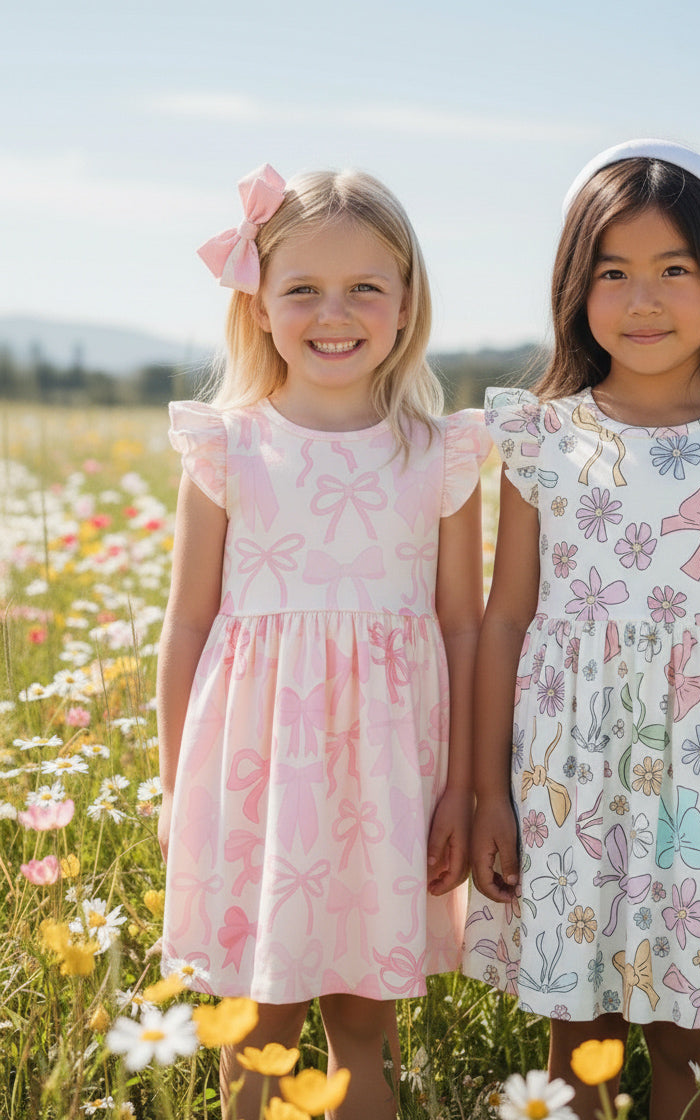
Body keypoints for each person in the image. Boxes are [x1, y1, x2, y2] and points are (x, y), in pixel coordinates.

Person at [464, 139, 700, 1119]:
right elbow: (505, 618)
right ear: (572, 287)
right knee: (573, 1040)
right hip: (562, 781)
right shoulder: (539, 437)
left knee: (689, 1037)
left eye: (675, 269)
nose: (643, 299)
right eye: (612, 272)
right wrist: (487, 792)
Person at [157, 163, 489, 1120]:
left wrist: (463, 789)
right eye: (301, 287)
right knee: (256, 1035)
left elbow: (462, 630)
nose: (331, 312)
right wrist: (180, 787)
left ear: (405, 302)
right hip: (252, 783)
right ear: (258, 304)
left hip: (388, 788)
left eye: (363, 288)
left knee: (359, 1037)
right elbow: (187, 625)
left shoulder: (440, 454)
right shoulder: (228, 444)